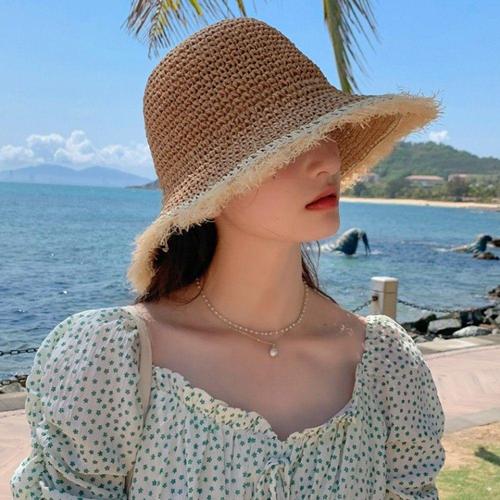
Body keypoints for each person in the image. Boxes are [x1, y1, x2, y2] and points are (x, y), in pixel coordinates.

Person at [11, 17, 446, 499]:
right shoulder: (115, 363)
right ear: (211, 188)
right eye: (286, 145)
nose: (327, 160)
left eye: (325, 130)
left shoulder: (385, 364)